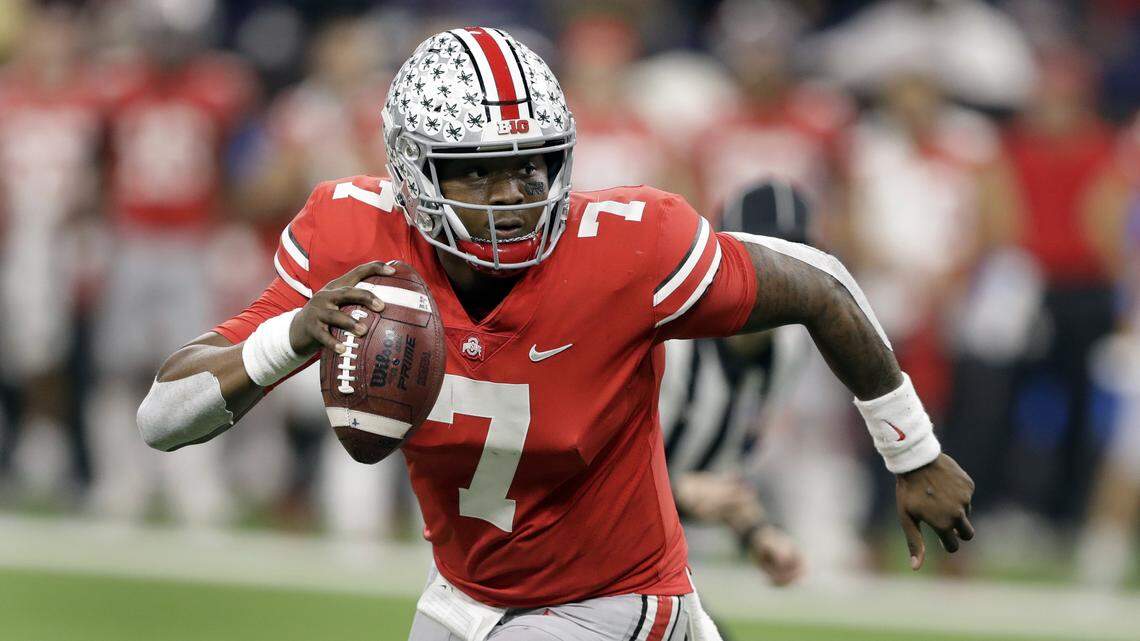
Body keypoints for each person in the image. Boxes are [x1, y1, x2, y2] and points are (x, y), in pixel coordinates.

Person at [136, 28, 975, 641]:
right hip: (464, 597)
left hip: (616, 601)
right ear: (413, 171)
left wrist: (911, 448)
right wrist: (291, 335)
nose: (513, 192)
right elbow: (162, 417)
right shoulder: (353, 239)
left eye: (531, 163)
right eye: (477, 171)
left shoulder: (626, 248)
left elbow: (819, 283)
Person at [660, 181, 814, 588]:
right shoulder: (668, 337)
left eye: (796, 259)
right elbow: (580, 473)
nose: (782, 276)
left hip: (654, 551)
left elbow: (721, 472)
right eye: (765, 256)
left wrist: (758, 532)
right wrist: (673, 493)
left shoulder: (788, 349)